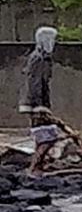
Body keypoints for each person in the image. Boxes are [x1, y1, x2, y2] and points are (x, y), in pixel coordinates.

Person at [18, 26, 59, 173]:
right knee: (48, 137)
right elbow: (34, 83)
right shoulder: (38, 58)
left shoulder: (44, 58)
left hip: (38, 103)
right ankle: (34, 167)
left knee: (43, 137)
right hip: (36, 104)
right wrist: (39, 106)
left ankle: (38, 166)